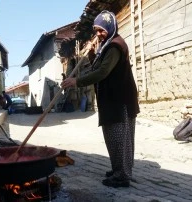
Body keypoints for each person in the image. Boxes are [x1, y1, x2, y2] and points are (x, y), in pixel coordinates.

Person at [61, 10, 140, 188]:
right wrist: (90, 53)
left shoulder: (115, 46)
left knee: (120, 138)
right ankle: (118, 169)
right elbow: (98, 65)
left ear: (110, 27)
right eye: (96, 30)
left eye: (102, 30)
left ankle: (122, 176)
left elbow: (103, 72)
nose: (99, 34)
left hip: (119, 99)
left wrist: (76, 81)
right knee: (112, 137)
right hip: (112, 99)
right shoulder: (106, 45)